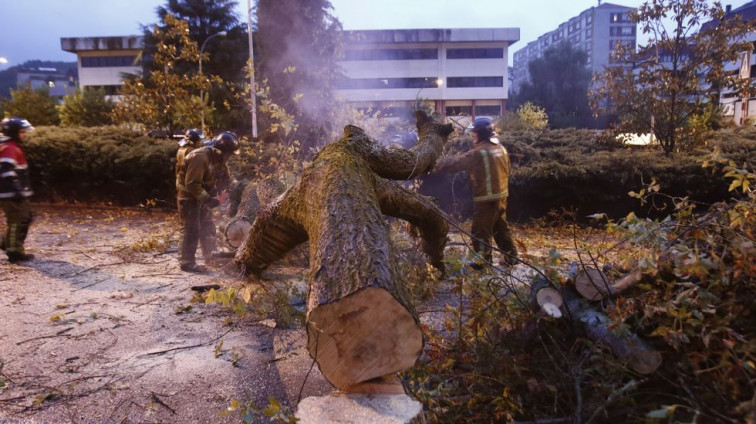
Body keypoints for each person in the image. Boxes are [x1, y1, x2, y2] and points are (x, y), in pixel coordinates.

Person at [433, 117, 518, 268]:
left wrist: (435, 164)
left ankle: (483, 263)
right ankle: (512, 257)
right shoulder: (500, 149)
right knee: (500, 228)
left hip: (486, 199)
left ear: (482, 134)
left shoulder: (480, 152)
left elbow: (456, 163)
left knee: (480, 231)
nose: (472, 135)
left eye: (474, 133)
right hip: (502, 196)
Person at [176, 131, 240, 272]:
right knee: (191, 228)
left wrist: (238, 187)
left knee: (208, 227)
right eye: (228, 153)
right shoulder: (200, 157)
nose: (228, 157)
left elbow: (227, 179)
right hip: (189, 197)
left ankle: (212, 257)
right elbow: (192, 183)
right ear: (219, 150)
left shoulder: (220, 161)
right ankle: (186, 262)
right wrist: (208, 199)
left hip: (203, 196)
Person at [0, 117, 36, 263]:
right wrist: (16, 190)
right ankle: (14, 251)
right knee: (17, 221)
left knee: (26, 217)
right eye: (22, 132)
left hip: (16, 192)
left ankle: (6, 242)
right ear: (14, 132)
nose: (24, 135)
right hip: (11, 193)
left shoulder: (11, 145)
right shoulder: (10, 148)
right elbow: (6, 170)